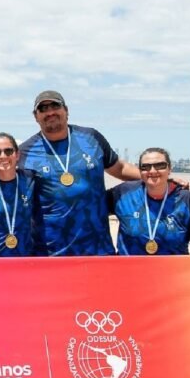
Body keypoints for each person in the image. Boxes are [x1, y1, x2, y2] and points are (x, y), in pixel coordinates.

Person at [18, 90, 141, 256]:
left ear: (66, 110)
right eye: (43, 109)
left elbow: (119, 168)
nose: (50, 112)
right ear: (36, 116)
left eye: (55, 106)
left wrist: (160, 178)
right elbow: (7, 183)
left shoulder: (91, 138)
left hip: (98, 250)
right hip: (50, 254)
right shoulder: (25, 152)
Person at [108, 148, 190, 255]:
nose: (152, 171)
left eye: (160, 166)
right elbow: (96, 208)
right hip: (129, 265)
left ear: (169, 169)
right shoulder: (123, 194)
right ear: (140, 171)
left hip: (174, 266)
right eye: (146, 167)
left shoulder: (186, 200)